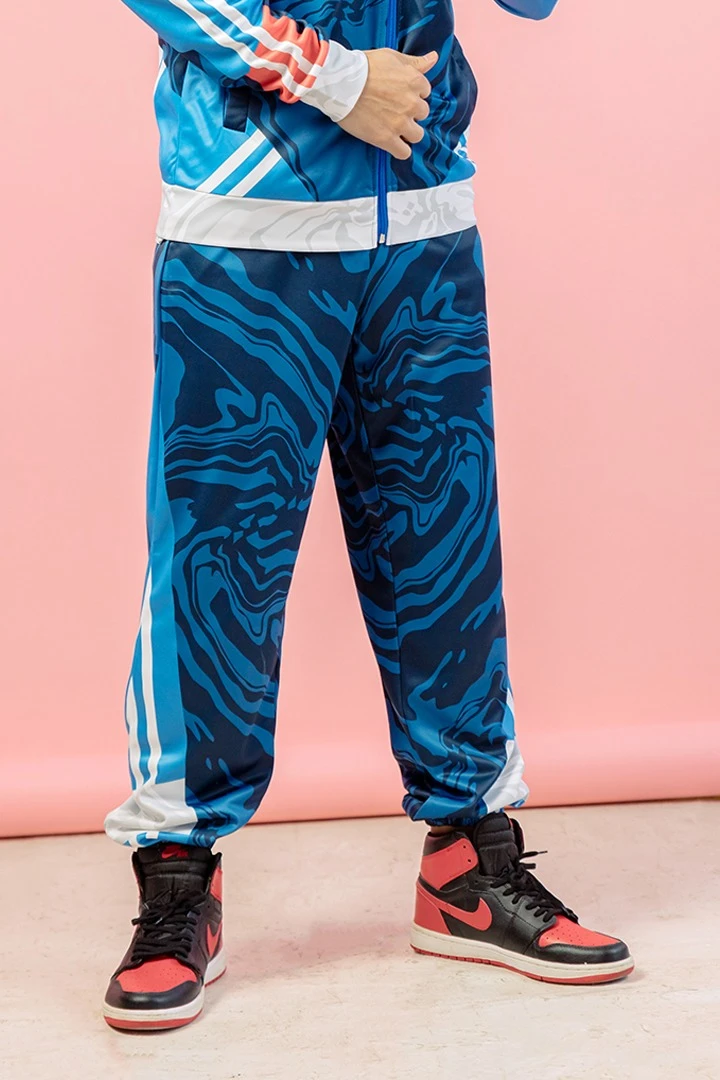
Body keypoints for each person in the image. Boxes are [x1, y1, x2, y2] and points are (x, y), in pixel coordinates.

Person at [102, 0, 633, 1032]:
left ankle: (468, 865)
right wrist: (330, 77)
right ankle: (177, 878)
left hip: (424, 212)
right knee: (217, 561)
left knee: (447, 547)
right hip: (247, 220)